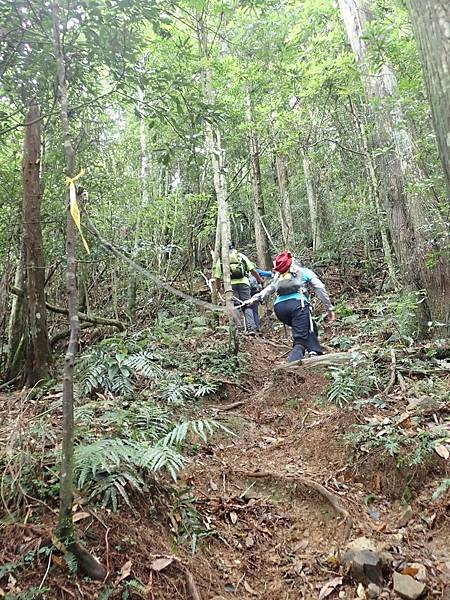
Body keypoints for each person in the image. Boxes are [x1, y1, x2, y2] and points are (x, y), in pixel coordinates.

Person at [247, 251, 335, 361]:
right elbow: (320, 287)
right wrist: (329, 308)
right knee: (300, 341)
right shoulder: (304, 272)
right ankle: (291, 368)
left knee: (310, 325)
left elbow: (269, 289)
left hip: (280, 309)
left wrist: (254, 299)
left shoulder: (279, 276)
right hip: (298, 306)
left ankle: (315, 351)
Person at [214, 242, 264, 333]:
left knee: (235, 306)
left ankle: (239, 328)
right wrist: (259, 280)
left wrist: (218, 288)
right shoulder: (240, 256)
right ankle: (251, 328)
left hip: (230, 286)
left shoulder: (221, 260)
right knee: (247, 305)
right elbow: (252, 270)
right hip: (244, 283)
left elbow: (217, 277)